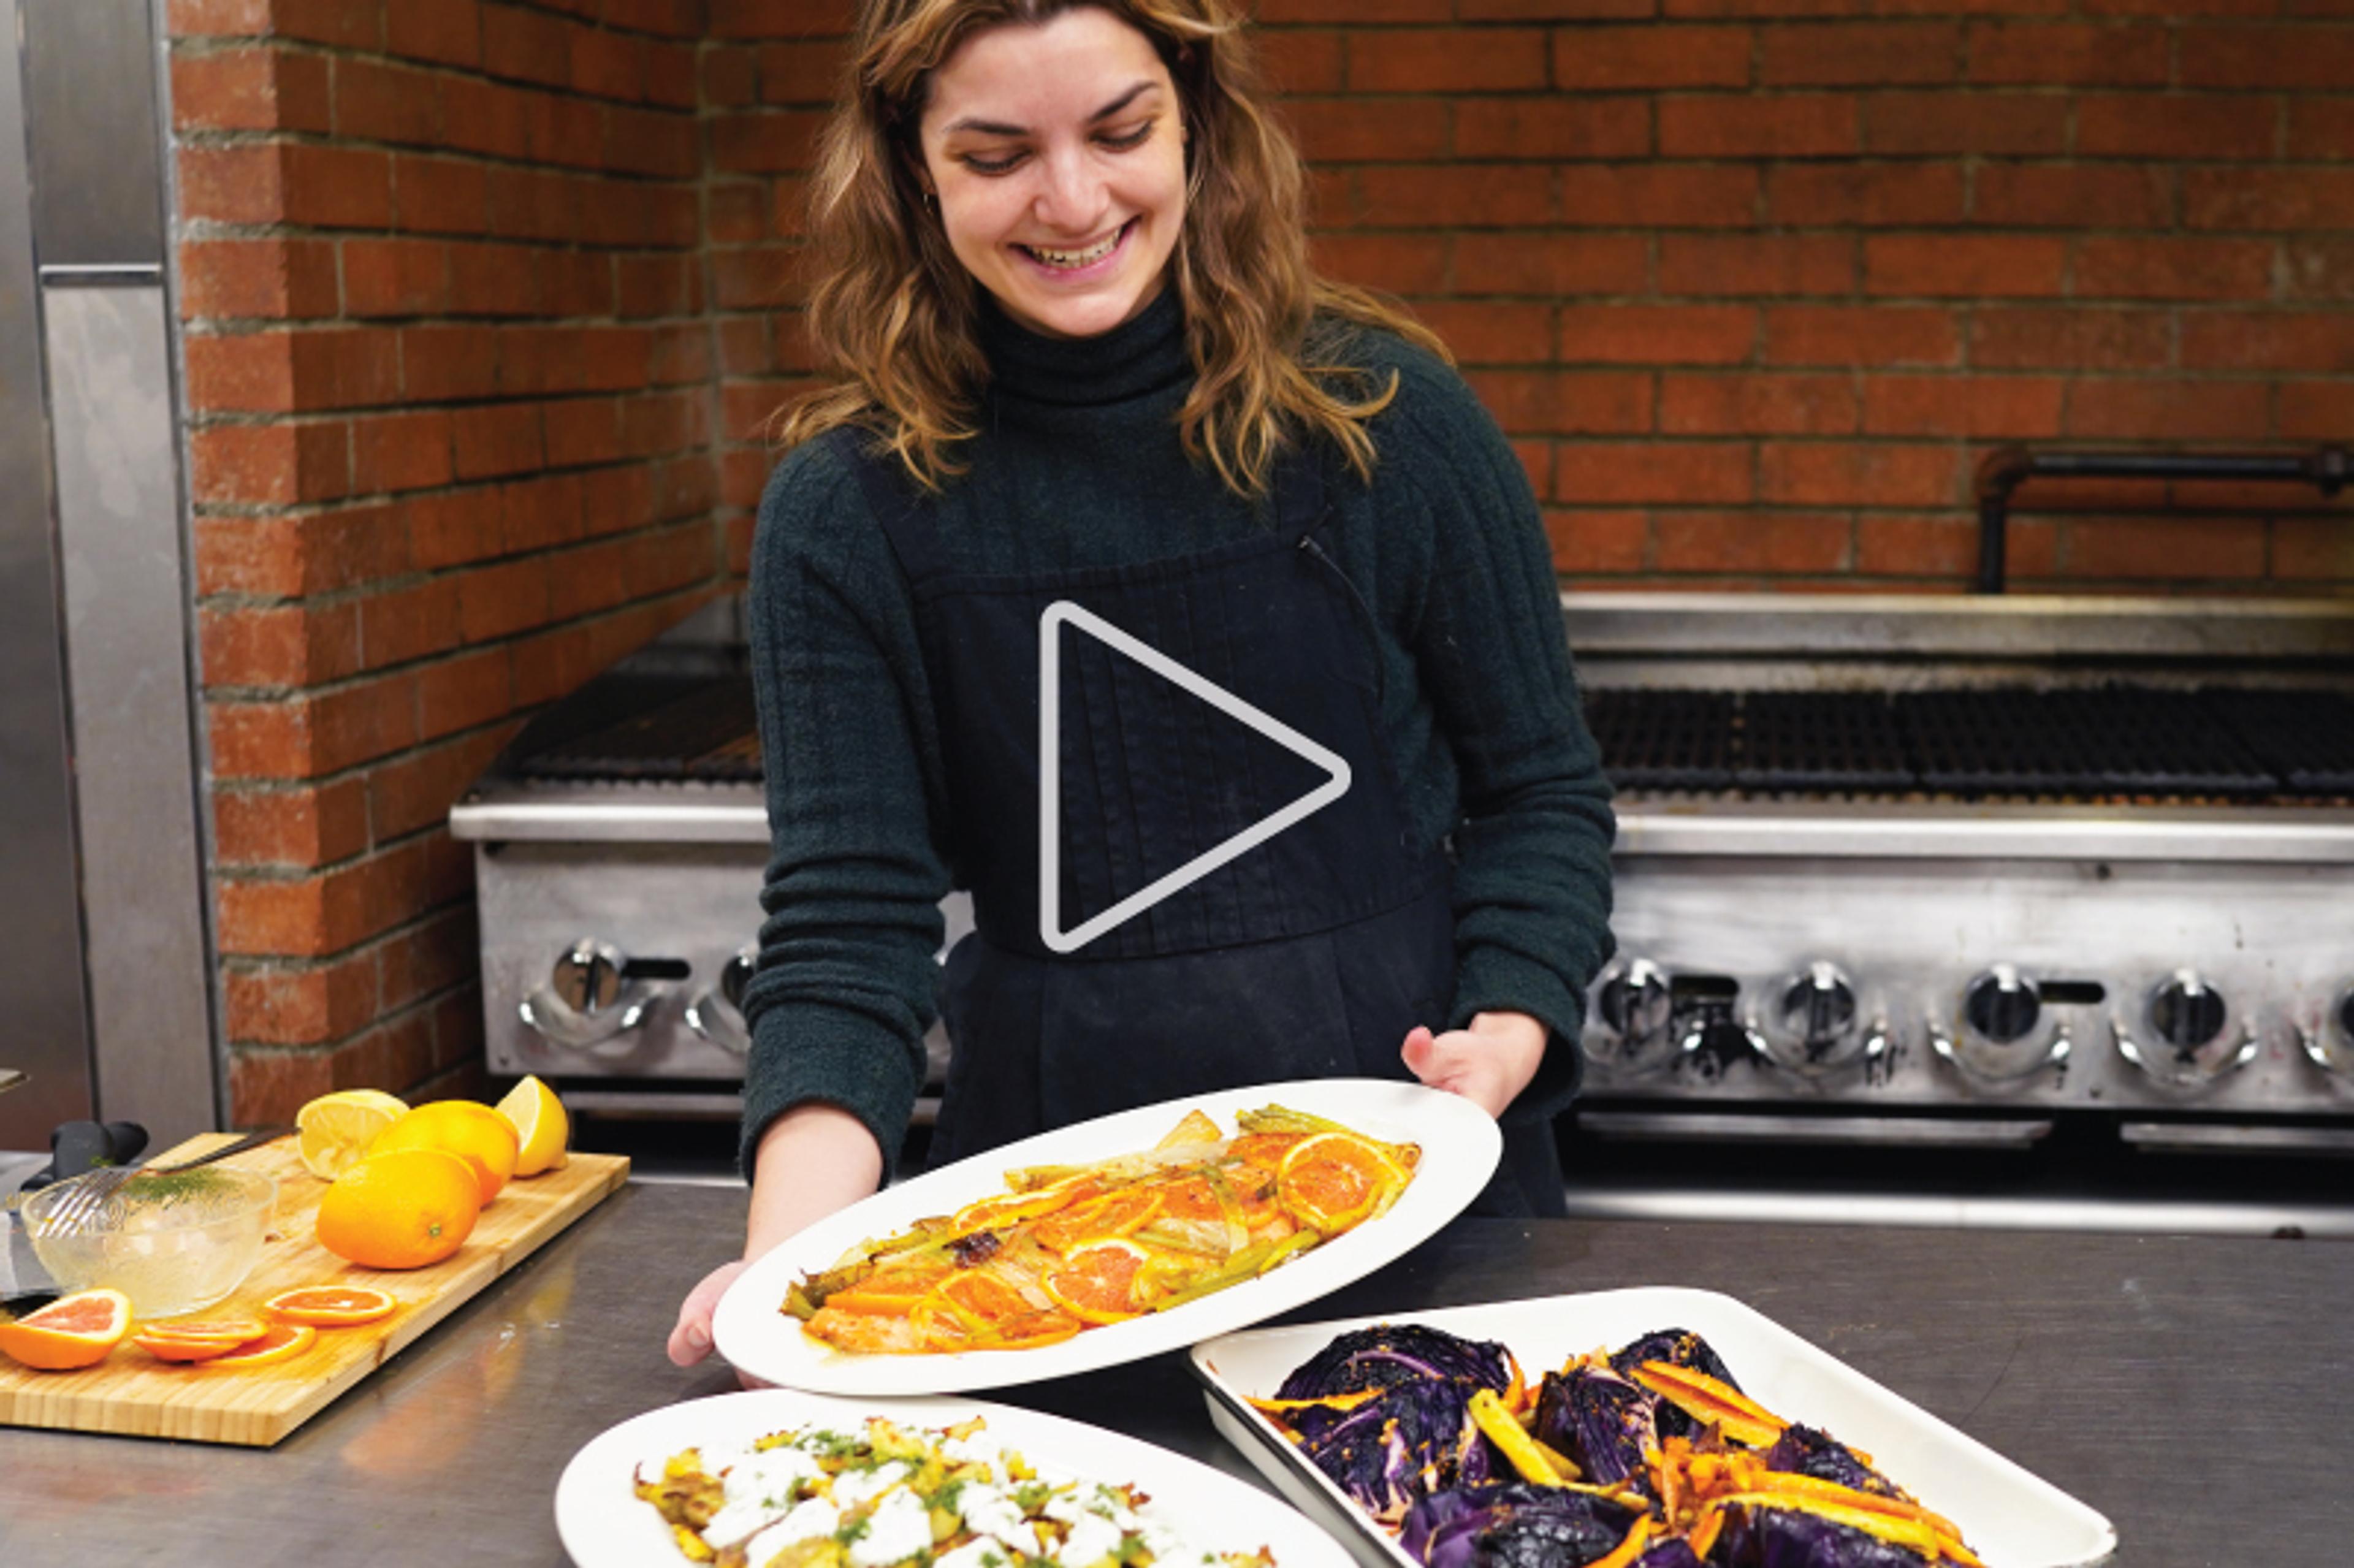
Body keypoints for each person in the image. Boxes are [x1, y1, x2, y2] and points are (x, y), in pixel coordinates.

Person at [668, 0, 1613, 1368]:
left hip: (1423, 1196)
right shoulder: (849, 511)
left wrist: (1508, 1034)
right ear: (909, 170)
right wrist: (781, 1281)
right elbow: (846, 926)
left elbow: (1541, 798)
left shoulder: (1388, 422)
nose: (1072, 200)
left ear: (1199, 125)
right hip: (1047, 1257)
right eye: (996, 156)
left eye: (1121, 133)